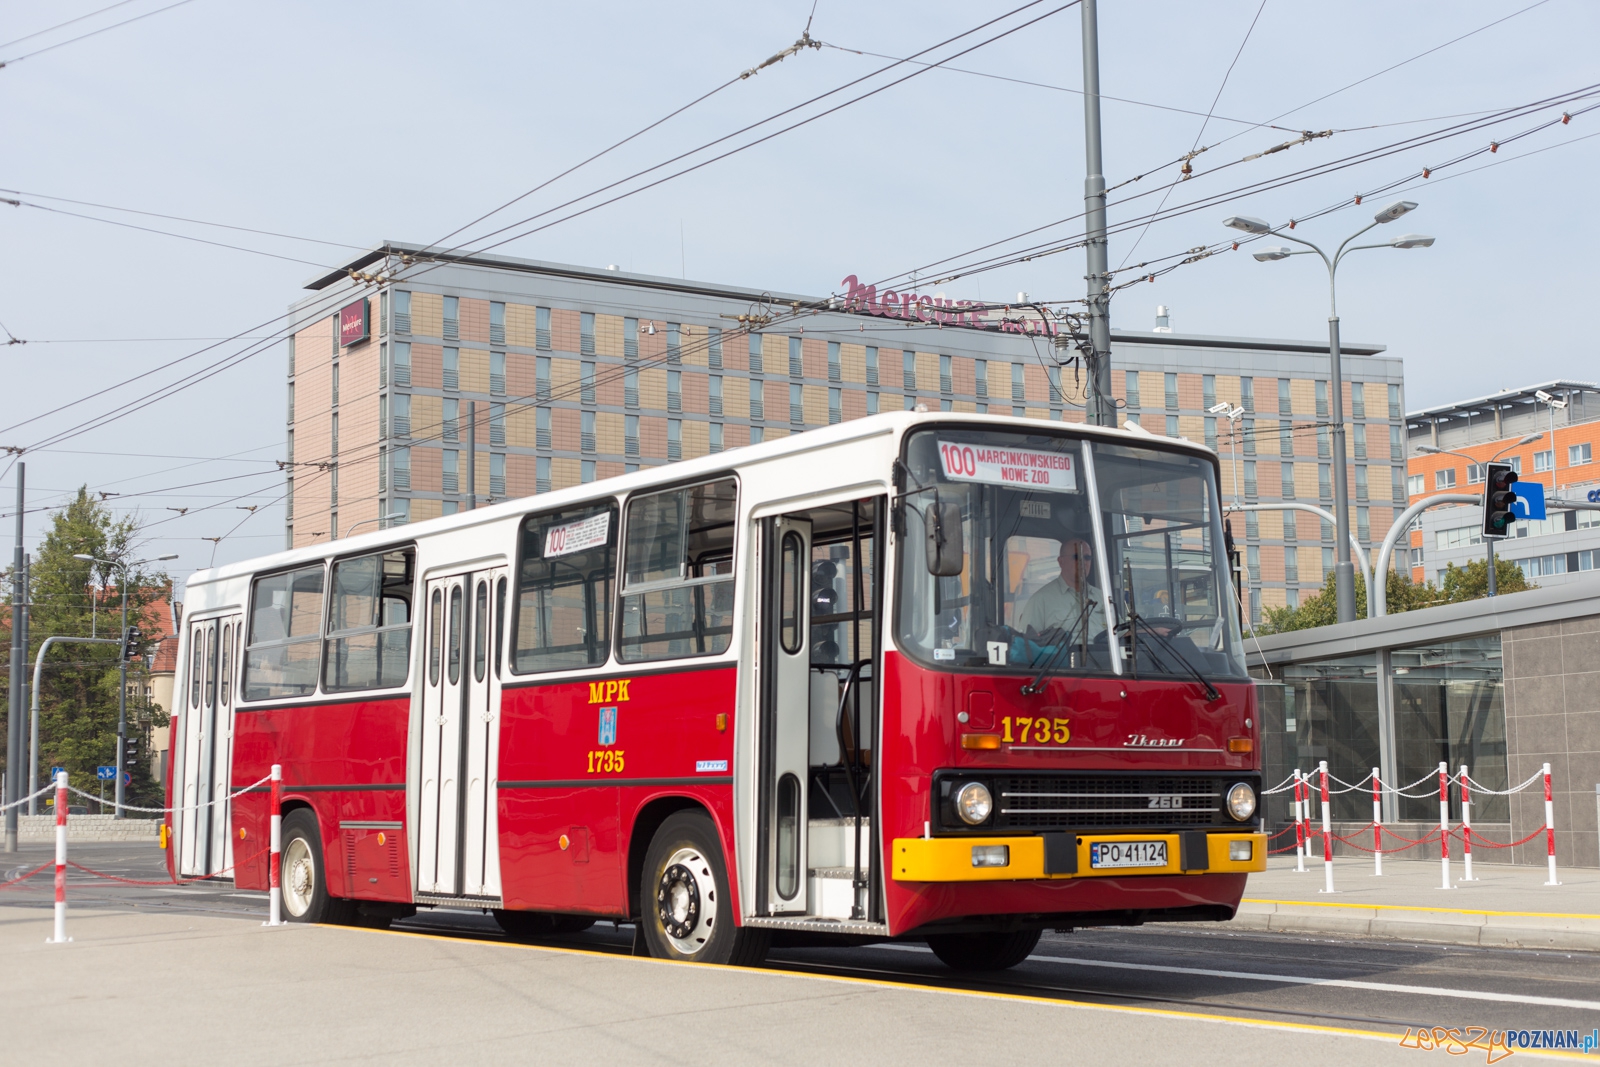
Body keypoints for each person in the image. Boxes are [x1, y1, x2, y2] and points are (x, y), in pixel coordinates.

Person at [1016, 537, 1105, 645]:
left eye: (1087, 557)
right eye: (1077, 557)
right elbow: (1026, 645)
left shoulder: (1102, 597)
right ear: (1061, 561)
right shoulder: (1040, 600)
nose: (1083, 562)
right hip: (1064, 660)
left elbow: (1121, 634)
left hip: (1106, 659)